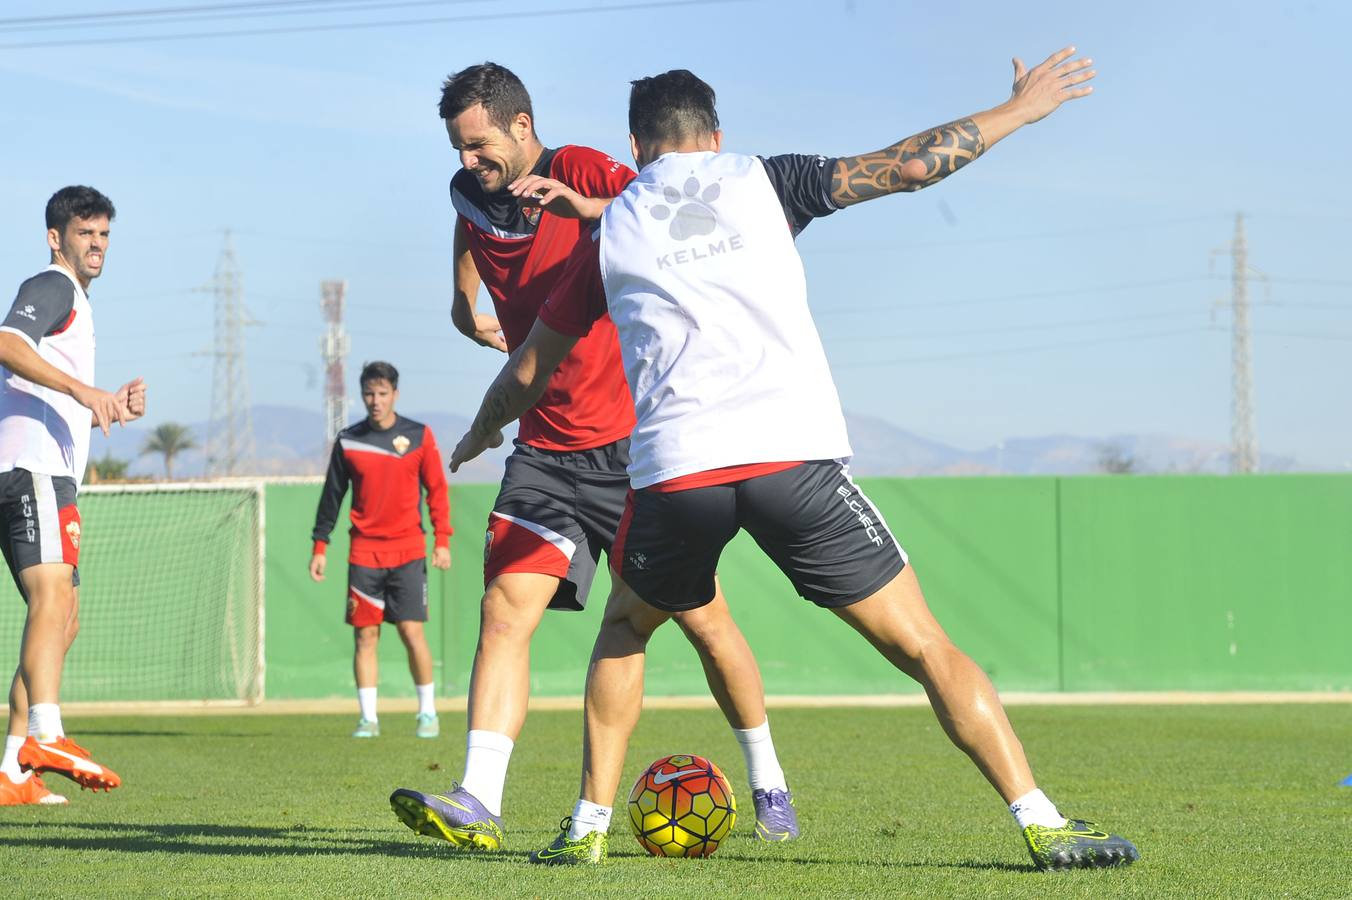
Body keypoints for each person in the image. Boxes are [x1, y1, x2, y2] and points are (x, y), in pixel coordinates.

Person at [450, 51, 1140, 871]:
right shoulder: (765, 181)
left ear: (636, 147)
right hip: (790, 461)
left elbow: (532, 364)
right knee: (924, 646)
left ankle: (585, 830)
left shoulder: (614, 226)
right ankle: (1042, 821)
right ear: (716, 134)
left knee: (626, 630)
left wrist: (483, 429)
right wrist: (1018, 111)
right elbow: (911, 166)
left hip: (675, 473)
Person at [389, 62, 800, 852]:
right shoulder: (468, 189)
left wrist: (586, 207)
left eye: (479, 145)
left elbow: (658, 210)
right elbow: (466, 218)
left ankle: (768, 778)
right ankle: (476, 797)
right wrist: (459, 297)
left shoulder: (579, 167)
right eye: (457, 148)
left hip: (633, 449)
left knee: (704, 623)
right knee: (504, 613)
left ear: (521, 125)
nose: (468, 162)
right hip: (543, 448)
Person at [0, 185, 145, 806]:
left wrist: (104, 406)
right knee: (53, 597)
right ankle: (45, 734)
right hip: (29, 470)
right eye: (86, 233)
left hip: (48, 475)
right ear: (57, 237)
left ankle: (11, 771)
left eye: (104, 234)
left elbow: (43, 393)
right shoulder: (52, 284)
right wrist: (87, 392)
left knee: (64, 617)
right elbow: (6, 343)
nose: (97, 245)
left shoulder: (77, 304)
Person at [310, 361, 451, 738]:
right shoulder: (348, 440)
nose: (375, 401)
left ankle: (427, 713)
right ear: (362, 395)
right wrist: (320, 545)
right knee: (366, 636)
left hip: (408, 552)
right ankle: (368, 719)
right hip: (363, 555)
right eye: (369, 394)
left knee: (410, 631)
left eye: (383, 393)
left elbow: (436, 490)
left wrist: (442, 540)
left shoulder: (419, 436)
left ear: (395, 395)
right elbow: (332, 497)